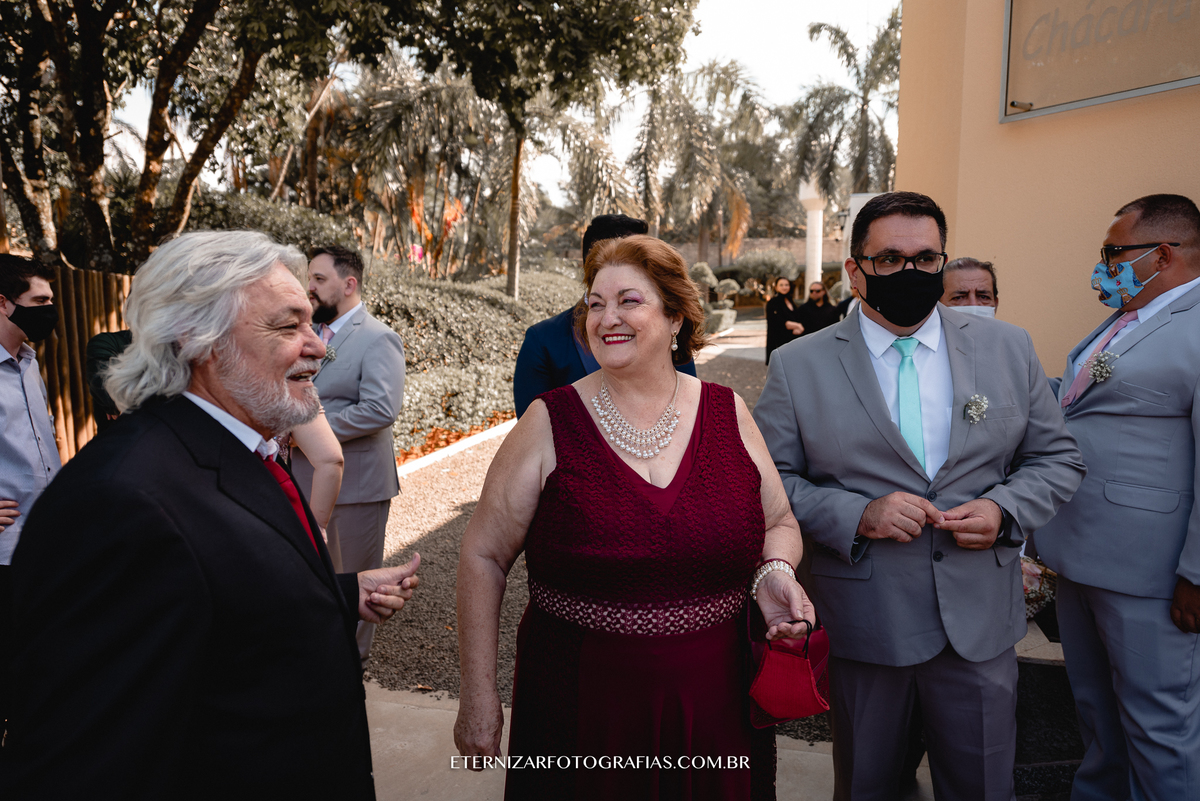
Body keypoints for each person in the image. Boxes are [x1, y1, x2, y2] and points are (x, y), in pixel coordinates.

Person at [0, 231, 420, 798]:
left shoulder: (243, 449)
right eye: (286, 325)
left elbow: (219, 596)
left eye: (310, 322)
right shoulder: (118, 504)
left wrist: (340, 593)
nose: (320, 346)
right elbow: (88, 769)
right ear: (199, 341)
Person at [454, 234, 814, 800]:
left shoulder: (728, 412)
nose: (606, 317)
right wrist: (478, 694)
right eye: (595, 304)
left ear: (675, 317)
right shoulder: (549, 422)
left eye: (628, 301)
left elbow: (779, 522)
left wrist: (774, 573)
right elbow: (483, 555)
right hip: (579, 704)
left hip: (715, 698)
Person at [753, 191, 1085, 800]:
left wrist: (1005, 509)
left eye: (926, 259)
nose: (911, 273)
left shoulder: (1009, 349)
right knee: (869, 786)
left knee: (984, 786)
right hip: (866, 624)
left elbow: (1057, 458)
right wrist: (857, 514)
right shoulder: (799, 365)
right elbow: (767, 482)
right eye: (890, 260)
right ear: (855, 271)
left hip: (979, 623)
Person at [1035, 193, 1200, 801]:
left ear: (1163, 252)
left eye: (1113, 252)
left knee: (1160, 731)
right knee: (1098, 718)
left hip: (1153, 573)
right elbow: (1081, 400)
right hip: (1082, 556)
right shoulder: (1129, 316)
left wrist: (1198, 575)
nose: (1103, 266)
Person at [291, 244, 405, 663]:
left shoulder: (379, 338)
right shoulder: (310, 335)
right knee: (316, 581)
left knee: (353, 586)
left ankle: (348, 678)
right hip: (305, 481)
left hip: (356, 490)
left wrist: (305, 433)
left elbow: (380, 409)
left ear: (349, 283)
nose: (310, 288)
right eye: (310, 279)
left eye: (319, 279)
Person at [513, 214, 695, 417]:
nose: (609, 320)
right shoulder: (542, 340)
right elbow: (533, 433)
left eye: (629, 301)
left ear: (674, 318)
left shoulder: (666, 333)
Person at [0, 254, 60, 736]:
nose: (49, 310)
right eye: (39, 302)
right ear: (3, 304)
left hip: (41, 541)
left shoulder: (30, 363)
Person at [764, 276, 803, 364]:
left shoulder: (791, 301)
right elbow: (778, 322)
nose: (784, 287)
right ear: (776, 287)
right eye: (781, 285)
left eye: (786, 285)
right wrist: (798, 326)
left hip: (792, 342)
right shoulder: (773, 303)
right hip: (779, 342)